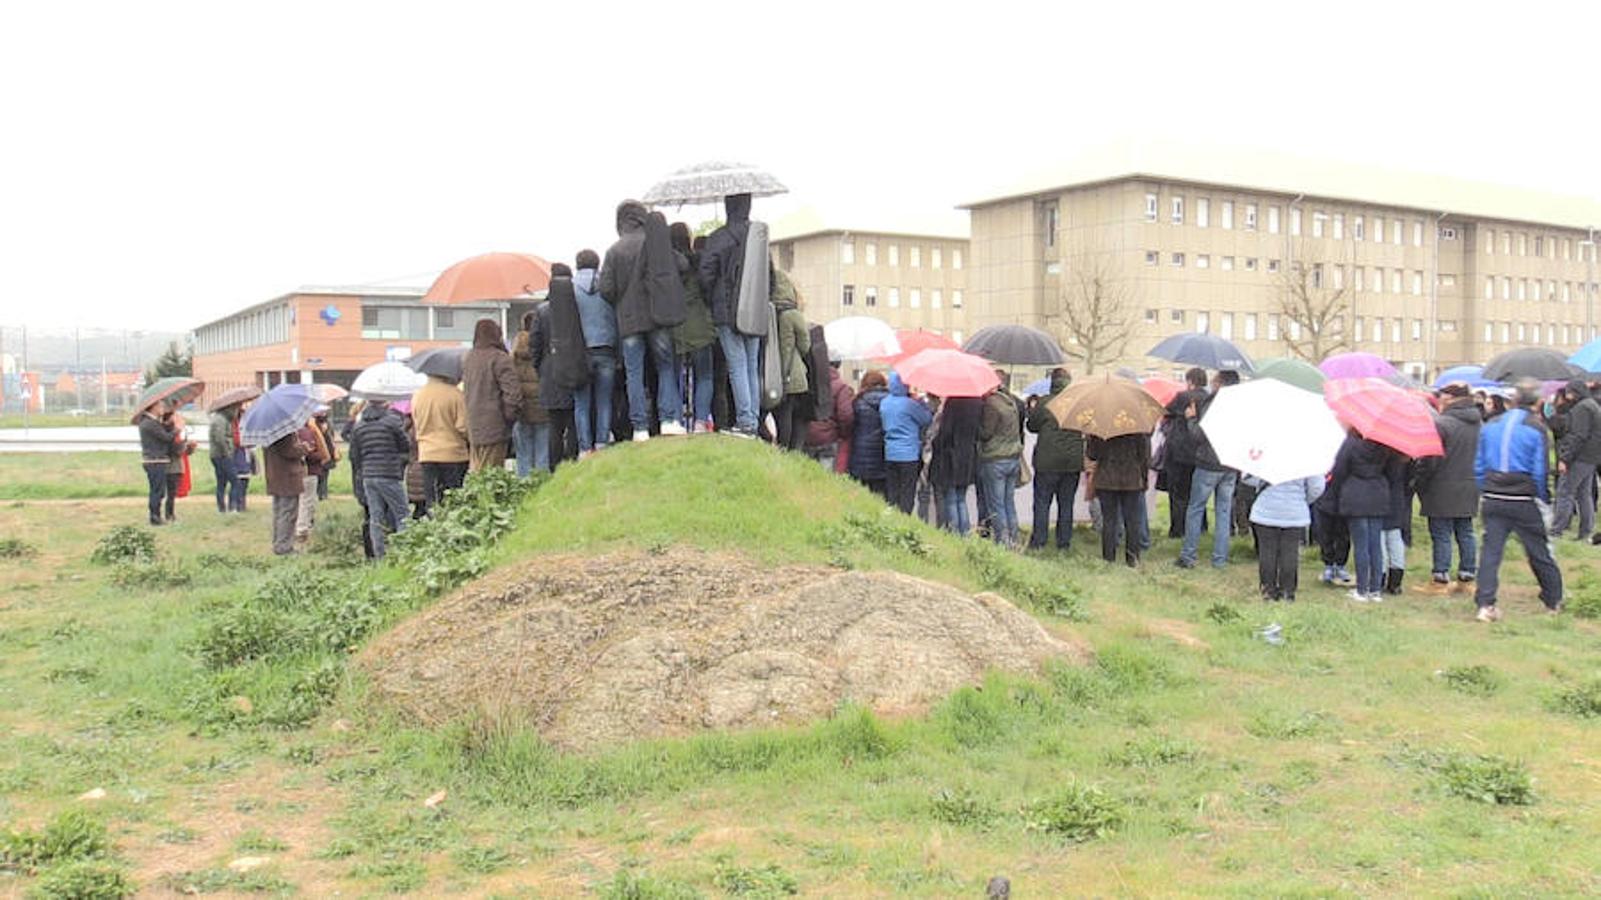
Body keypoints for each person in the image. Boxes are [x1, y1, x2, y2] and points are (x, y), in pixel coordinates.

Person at [1474, 379, 1564, 622]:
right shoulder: (1536, 428)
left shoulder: (1491, 424)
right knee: (1538, 551)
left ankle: (1485, 603)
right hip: (1523, 496)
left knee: (1491, 552)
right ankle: (1553, 600)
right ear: (1537, 402)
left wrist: (1485, 487)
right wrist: (1543, 497)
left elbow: (1479, 464)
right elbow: (1539, 469)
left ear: (1512, 401)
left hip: (1493, 494)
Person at [602, 201, 685, 440]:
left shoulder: (614, 251)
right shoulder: (656, 243)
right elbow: (682, 265)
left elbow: (606, 288)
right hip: (658, 315)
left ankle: (639, 428)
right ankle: (668, 420)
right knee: (666, 367)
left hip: (628, 321)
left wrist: (621, 301)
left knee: (634, 373)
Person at [698, 192, 763, 437]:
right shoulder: (759, 237)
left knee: (737, 366)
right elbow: (770, 277)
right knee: (751, 367)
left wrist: (711, 299)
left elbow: (706, 274)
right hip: (755, 312)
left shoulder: (719, 238)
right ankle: (752, 420)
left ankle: (745, 421)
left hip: (727, 311)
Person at [1414, 383, 1481, 592]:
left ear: (1450, 398)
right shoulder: (1479, 423)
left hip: (1441, 484)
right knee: (1466, 531)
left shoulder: (1442, 424)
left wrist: (1419, 481)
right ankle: (1467, 577)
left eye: (1442, 396)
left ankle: (1440, 578)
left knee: (1442, 533)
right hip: (1470, 483)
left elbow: (1430, 458)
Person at [1330, 429, 1403, 603]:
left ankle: (1362, 589)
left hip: (1355, 494)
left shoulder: (1350, 443)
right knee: (1375, 544)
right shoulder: (1386, 444)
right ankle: (1375, 589)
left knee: (1361, 545)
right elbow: (1394, 473)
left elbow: (1339, 470)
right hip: (1378, 493)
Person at [1178, 370, 1239, 568]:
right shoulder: (1241, 405)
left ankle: (1188, 555)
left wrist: (1191, 419)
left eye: (1215, 380)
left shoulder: (1214, 404)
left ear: (1220, 383)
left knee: (1196, 508)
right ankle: (1220, 559)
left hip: (1208, 463)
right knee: (1223, 511)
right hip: (1230, 465)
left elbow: (1198, 435)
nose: (1211, 383)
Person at [534, 265, 588, 469]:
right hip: (573, 365)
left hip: (550, 372)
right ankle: (573, 461)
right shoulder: (576, 306)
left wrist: (540, 369)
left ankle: (554, 467)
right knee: (573, 419)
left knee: (554, 425)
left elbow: (535, 346)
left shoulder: (541, 310)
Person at [1027, 368, 1085, 551]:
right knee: (1066, 504)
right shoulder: (1078, 404)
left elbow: (1032, 426)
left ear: (1052, 382)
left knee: (1042, 503)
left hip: (1047, 462)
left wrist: (1031, 410)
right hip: (1072, 462)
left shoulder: (1044, 403)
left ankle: (1039, 541)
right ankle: (1064, 542)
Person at [348, 399, 412, 559]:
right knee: (402, 513)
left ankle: (379, 556)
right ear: (385, 403)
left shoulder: (359, 425)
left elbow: (354, 455)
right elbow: (406, 444)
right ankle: (405, 551)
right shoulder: (392, 421)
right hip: (389, 473)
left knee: (375, 517)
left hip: (368, 475)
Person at [669, 225, 717, 434]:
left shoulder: (667, 266)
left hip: (674, 326)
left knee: (672, 376)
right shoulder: (699, 262)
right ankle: (700, 421)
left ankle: (676, 420)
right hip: (700, 326)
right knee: (704, 376)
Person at [1247, 474, 1325, 602]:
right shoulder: (1309, 458)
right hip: (1294, 511)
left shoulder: (1266, 454)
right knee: (1290, 552)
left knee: (1267, 552)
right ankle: (1287, 591)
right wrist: (1302, 499)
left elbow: (1249, 478)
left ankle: (1268, 590)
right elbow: (1317, 487)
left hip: (1266, 509)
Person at [571, 249, 618, 455]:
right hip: (607, 346)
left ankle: (584, 448)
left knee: (582, 402)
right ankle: (602, 443)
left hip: (581, 352)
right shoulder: (608, 285)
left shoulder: (571, 288)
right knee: (604, 399)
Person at [462, 318, 522, 472]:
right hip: (495, 425)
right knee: (492, 473)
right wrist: (510, 417)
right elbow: (512, 393)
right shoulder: (500, 358)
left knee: (477, 471)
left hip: (473, 425)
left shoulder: (468, 358)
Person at [1085, 429, 1151, 566]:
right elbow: (1144, 455)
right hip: (1131, 479)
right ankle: (1133, 558)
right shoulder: (1136, 427)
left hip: (1106, 479)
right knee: (1132, 521)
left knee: (1109, 521)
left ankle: (1108, 558)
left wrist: (1091, 437)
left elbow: (1092, 455)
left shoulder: (1101, 425)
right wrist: (1144, 479)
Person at [1550, 379, 1601, 540]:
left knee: (1565, 492)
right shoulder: (1592, 405)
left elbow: (1577, 436)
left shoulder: (1581, 408)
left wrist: (1565, 458)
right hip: (1591, 457)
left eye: (1569, 392)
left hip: (1579, 457)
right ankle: (1586, 531)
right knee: (1584, 494)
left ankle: (1556, 530)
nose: (1567, 396)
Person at [976, 376, 1024, 546]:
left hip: (995, 459)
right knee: (1008, 502)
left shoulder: (990, 405)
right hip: (1012, 458)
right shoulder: (1009, 401)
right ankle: (1014, 538)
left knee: (996, 504)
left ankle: (1002, 542)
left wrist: (977, 425)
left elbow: (986, 433)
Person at [1161, 367, 1209, 538]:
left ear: (1190, 381)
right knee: (1198, 494)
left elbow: (1166, 411)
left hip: (1180, 452)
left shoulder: (1183, 397)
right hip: (1201, 452)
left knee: (1178, 494)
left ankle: (1178, 529)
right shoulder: (1210, 398)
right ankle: (1201, 527)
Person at [412, 373, 470, 507]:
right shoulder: (455, 394)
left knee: (432, 499)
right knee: (453, 498)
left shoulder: (418, 395)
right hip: (453, 454)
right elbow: (462, 427)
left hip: (427, 453)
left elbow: (416, 423)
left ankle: (434, 525)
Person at [880, 373, 934, 514]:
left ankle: (893, 518)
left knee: (893, 491)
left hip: (890, 452)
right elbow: (926, 419)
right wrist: (921, 402)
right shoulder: (909, 404)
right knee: (907, 492)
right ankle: (905, 519)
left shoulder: (884, 403)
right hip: (908, 454)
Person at [929, 396, 982, 535]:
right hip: (968, 456)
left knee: (951, 499)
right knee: (961, 499)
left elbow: (945, 433)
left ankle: (954, 534)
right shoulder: (977, 403)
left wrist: (935, 443)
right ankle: (965, 533)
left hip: (951, 457)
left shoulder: (953, 403)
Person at [771, 273, 813, 450]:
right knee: (788, 414)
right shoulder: (793, 314)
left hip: (769, 371)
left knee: (777, 412)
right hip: (792, 374)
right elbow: (805, 345)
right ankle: (787, 450)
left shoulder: (767, 312)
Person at [510, 311, 551, 476]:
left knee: (523, 458)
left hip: (522, 413)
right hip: (543, 410)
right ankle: (541, 491)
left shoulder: (513, 356)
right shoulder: (545, 347)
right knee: (543, 457)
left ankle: (524, 491)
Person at [264, 429, 309, 555]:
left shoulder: (269, 431)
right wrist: (304, 448)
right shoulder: (283, 431)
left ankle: (278, 543)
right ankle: (284, 547)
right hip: (287, 477)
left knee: (279, 513)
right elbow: (289, 451)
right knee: (288, 513)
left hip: (276, 476)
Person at [804, 362, 855, 470]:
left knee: (807, 478)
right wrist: (843, 434)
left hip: (807, 436)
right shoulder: (841, 387)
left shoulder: (808, 383)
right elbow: (845, 415)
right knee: (826, 479)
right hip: (829, 438)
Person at [848, 372, 891, 497]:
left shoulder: (857, 402)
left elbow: (849, 424)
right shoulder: (890, 402)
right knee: (883, 496)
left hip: (861, 455)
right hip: (883, 454)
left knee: (863, 497)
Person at [137, 404, 179, 526]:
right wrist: (177, 429)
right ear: (153, 408)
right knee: (157, 491)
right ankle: (155, 516)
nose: (162, 409)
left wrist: (169, 424)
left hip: (156, 460)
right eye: (160, 406)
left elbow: (162, 432)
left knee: (158, 490)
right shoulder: (149, 423)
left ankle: (155, 515)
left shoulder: (151, 422)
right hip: (155, 460)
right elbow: (166, 437)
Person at [293, 413, 330, 547]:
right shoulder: (306, 432)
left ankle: (302, 525)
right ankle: (302, 528)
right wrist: (320, 454)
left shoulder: (295, 431)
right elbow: (313, 453)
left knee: (304, 499)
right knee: (307, 500)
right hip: (309, 471)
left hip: (299, 472)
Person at [208, 403, 244, 513]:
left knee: (222, 482)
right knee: (235, 481)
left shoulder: (221, 419)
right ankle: (232, 506)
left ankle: (221, 508)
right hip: (222, 455)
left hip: (217, 455)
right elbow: (220, 438)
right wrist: (227, 452)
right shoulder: (221, 420)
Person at [312, 409, 338, 501]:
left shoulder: (328, 423)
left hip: (328, 450)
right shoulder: (313, 423)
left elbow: (331, 437)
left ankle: (323, 493)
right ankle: (318, 493)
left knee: (325, 473)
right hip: (318, 450)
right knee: (318, 473)